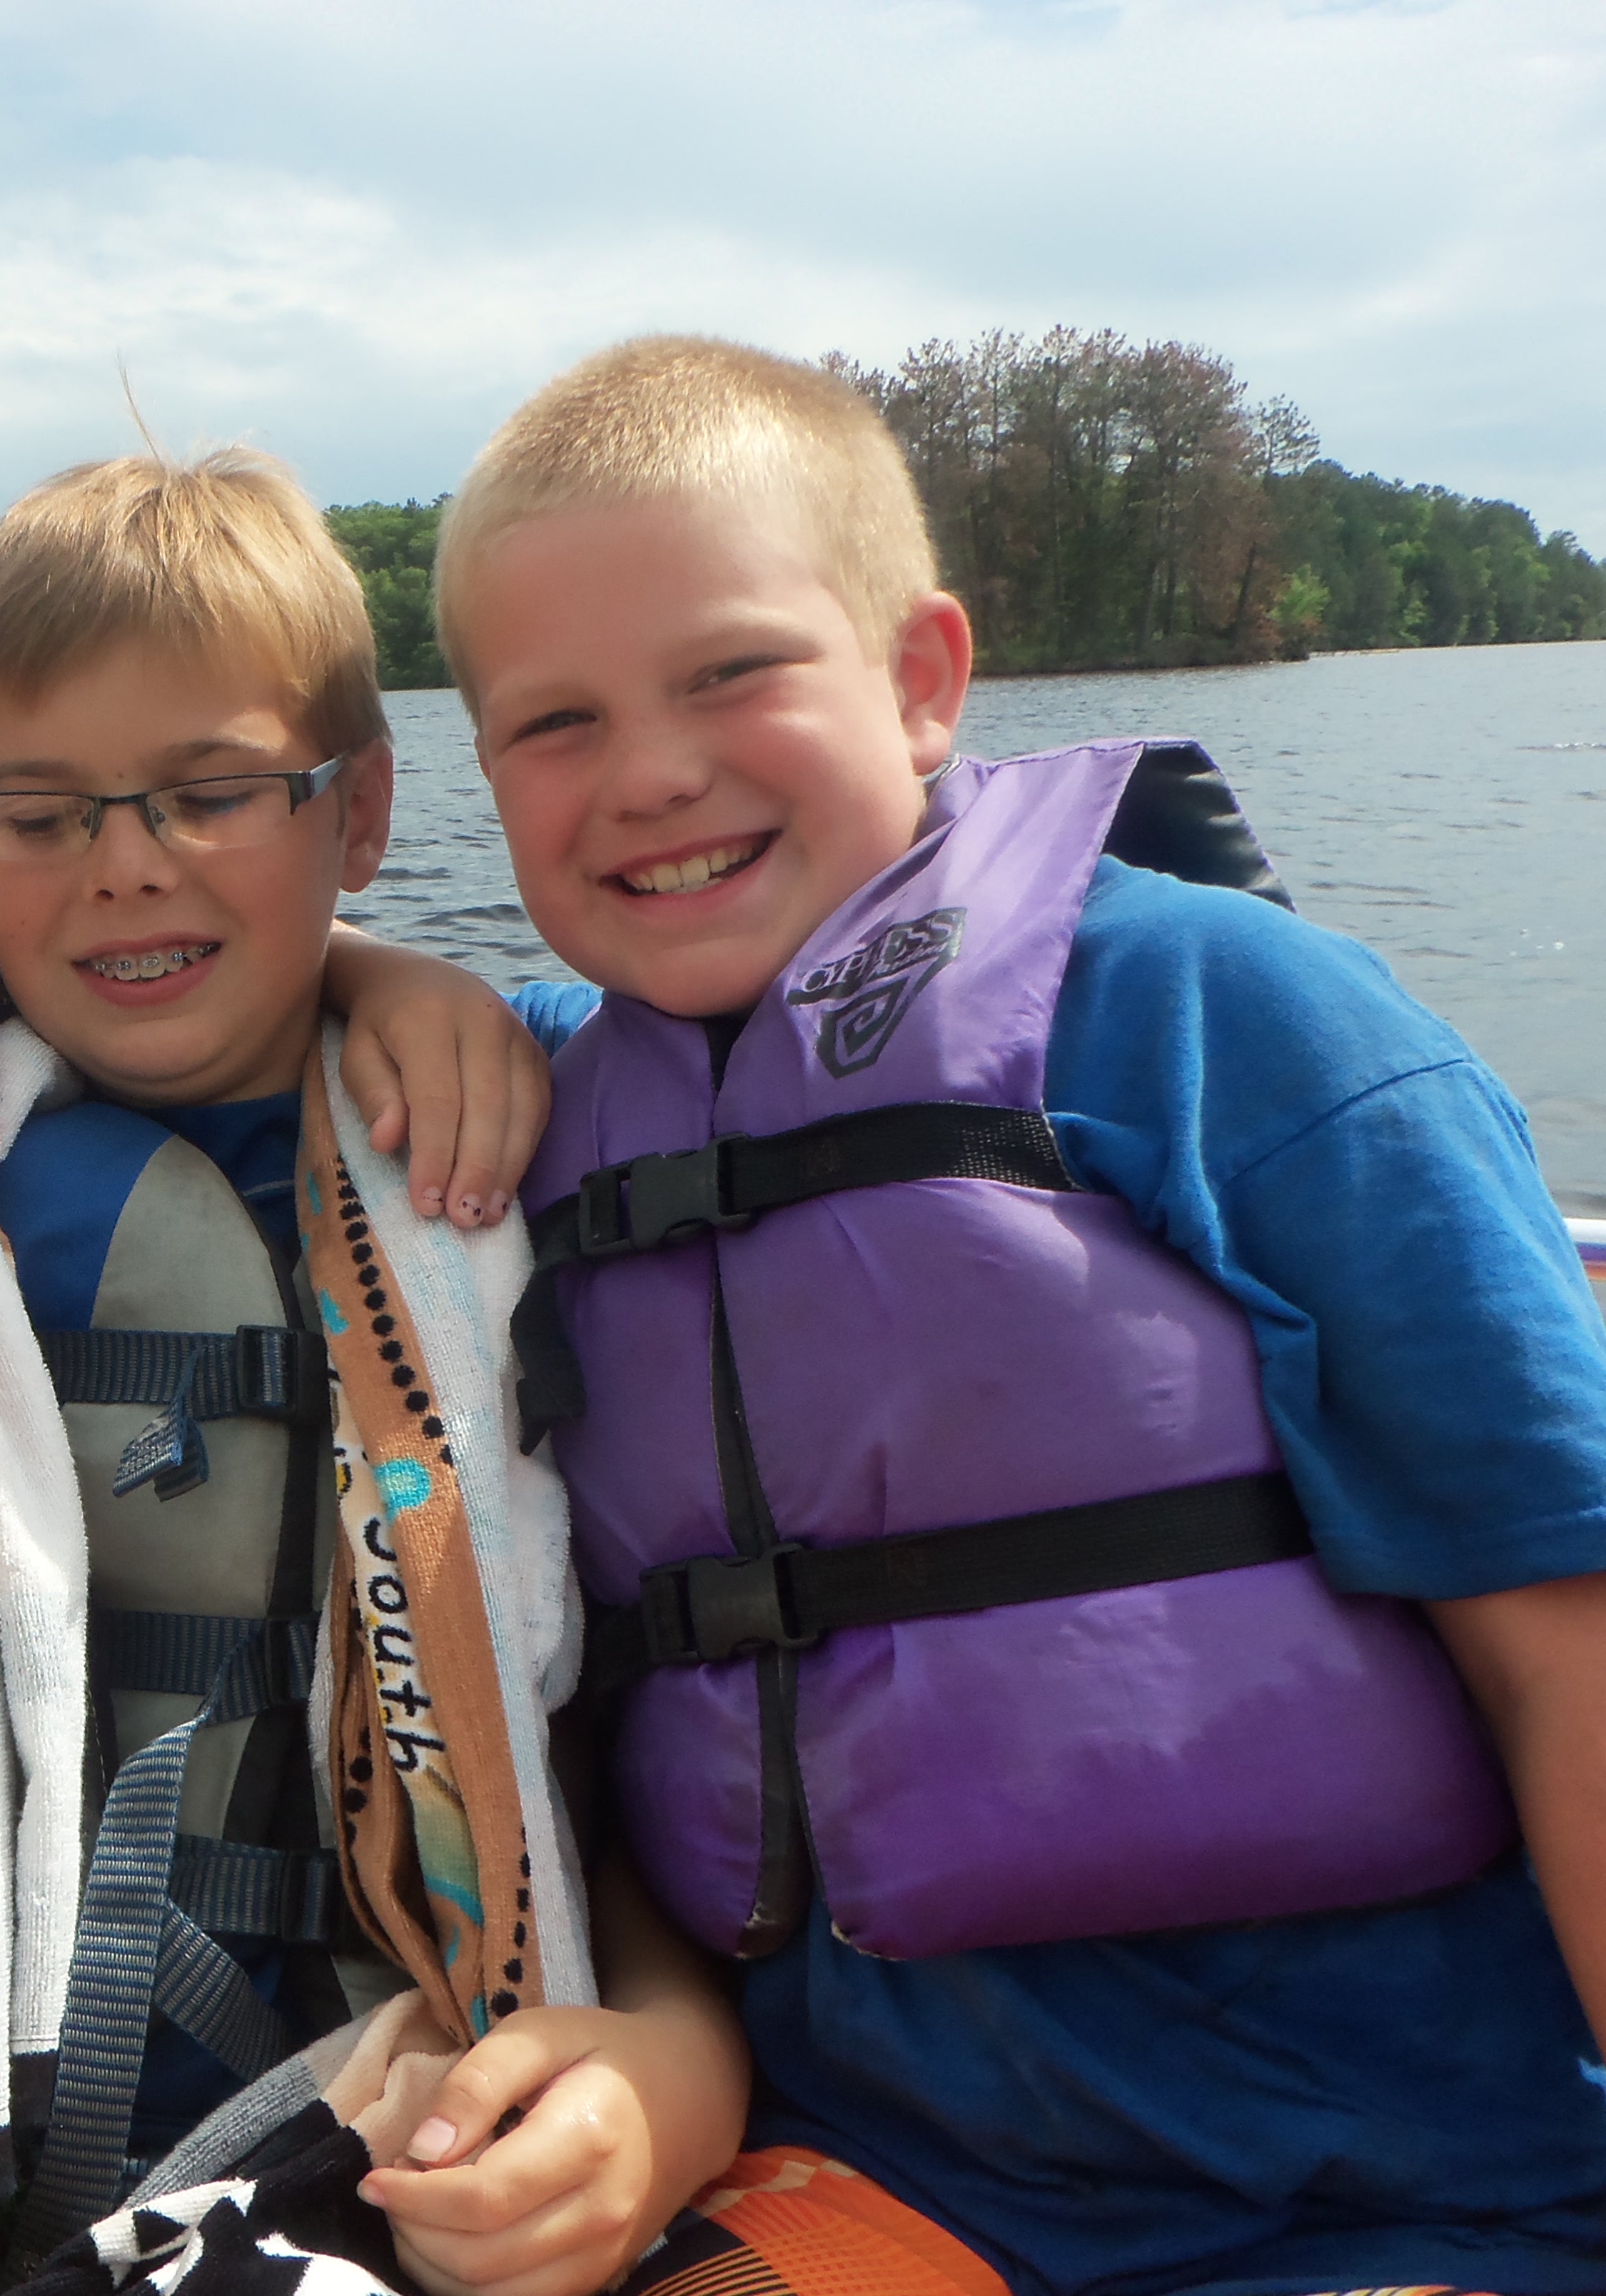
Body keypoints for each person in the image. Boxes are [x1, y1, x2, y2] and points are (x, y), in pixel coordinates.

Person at [438, 336, 1606, 2296]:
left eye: (731, 674)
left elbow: (1568, 1644)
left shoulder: (1229, 1022)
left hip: (1412, 2188)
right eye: (554, 723)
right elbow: (209, 987)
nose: (648, 774)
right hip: (884, 2181)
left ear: (922, 678)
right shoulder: (529, 1111)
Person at [0, 445, 751, 2296]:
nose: (125, 865)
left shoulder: (513, 1126)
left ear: (362, 809)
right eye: (37, 815)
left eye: (214, 794)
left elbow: (594, 1743)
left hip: (405, 2123)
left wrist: (679, 2071)